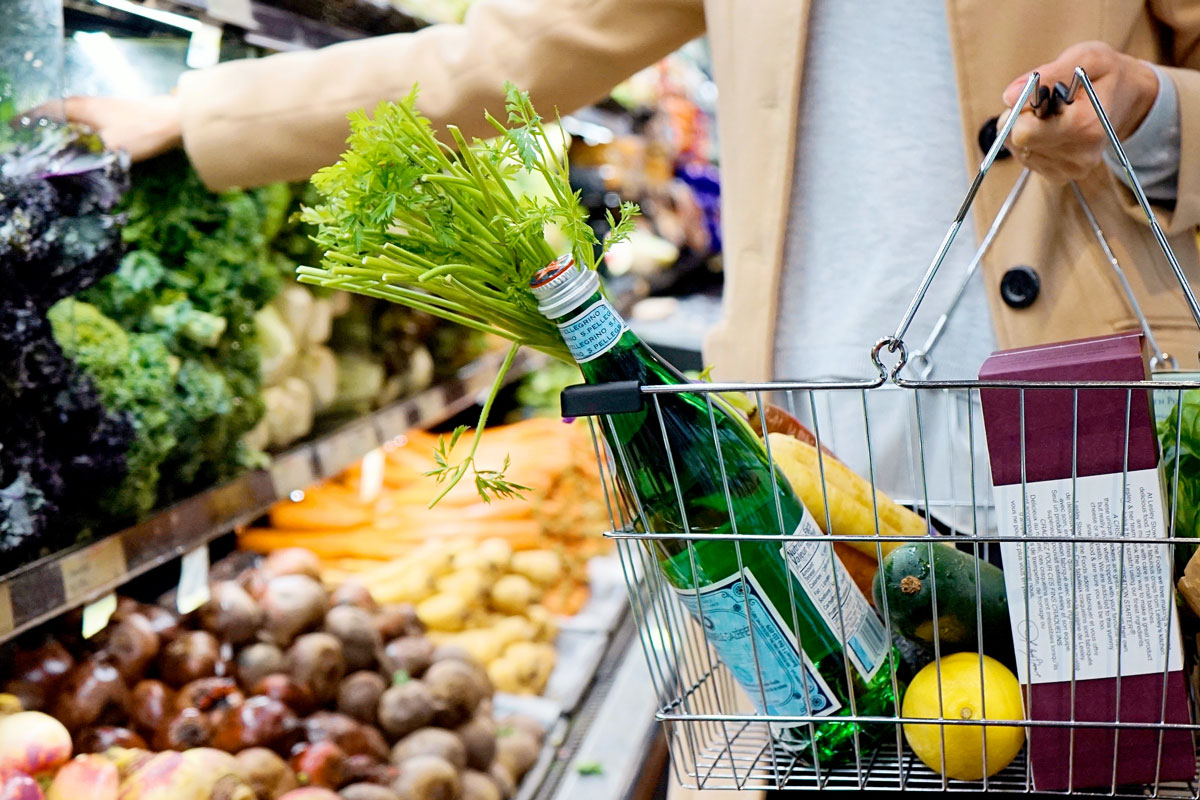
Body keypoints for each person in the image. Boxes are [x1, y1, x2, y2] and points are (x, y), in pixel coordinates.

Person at [58, 2, 1200, 796]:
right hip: (790, 437)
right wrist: (205, 115)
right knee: (830, 748)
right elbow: (501, 52)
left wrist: (1150, 118)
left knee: (1096, 748)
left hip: (1084, 421)